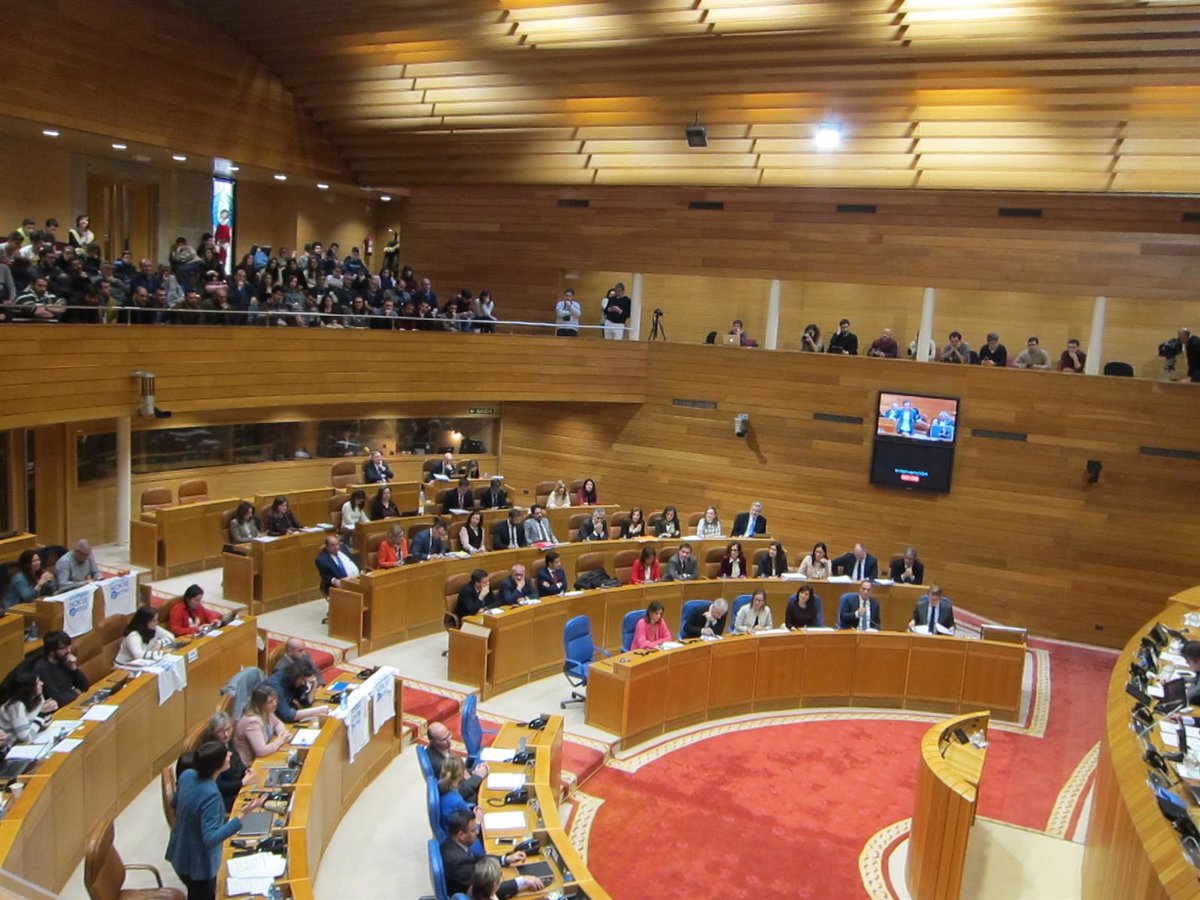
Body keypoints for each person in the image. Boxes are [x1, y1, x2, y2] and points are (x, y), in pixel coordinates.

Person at [167, 740, 267, 900]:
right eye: (226, 754)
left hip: (179, 854)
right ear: (217, 765)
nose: (230, 754)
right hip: (198, 865)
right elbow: (210, 839)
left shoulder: (187, 775)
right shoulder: (211, 794)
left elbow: (175, 803)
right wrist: (241, 815)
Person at [440, 808, 541, 899]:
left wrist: (505, 859)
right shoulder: (457, 861)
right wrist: (523, 881)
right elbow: (487, 889)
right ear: (461, 834)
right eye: (473, 830)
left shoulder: (451, 843)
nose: (477, 832)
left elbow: (478, 858)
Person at [197, 712, 255, 813]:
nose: (226, 734)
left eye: (228, 729)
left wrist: (245, 770)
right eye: (221, 731)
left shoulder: (227, 741)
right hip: (225, 798)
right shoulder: (212, 753)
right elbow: (218, 786)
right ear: (213, 733)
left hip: (239, 786)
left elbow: (237, 761)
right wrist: (241, 783)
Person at [427, 721, 488, 802]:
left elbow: (460, 771)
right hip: (466, 798)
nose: (449, 740)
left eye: (449, 735)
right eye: (443, 739)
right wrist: (478, 776)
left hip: (467, 782)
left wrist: (473, 773)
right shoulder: (440, 765)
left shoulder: (442, 749)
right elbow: (458, 792)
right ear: (432, 741)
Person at [233, 685, 289, 765]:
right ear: (260, 704)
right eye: (270, 702)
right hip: (249, 764)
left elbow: (277, 723)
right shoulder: (252, 722)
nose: (275, 704)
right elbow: (261, 751)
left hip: (264, 755)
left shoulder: (266, 711)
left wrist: (282, 734)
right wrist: (279, 741)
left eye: (275, 700)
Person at [30, 630, 89, 707]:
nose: (68, 650)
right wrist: (75, 692)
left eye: (68, 646)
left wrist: (74, 668)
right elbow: (57, 699)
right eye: (63, 648)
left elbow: (85, 686)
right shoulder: (42, 669)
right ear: (51, 651)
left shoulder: (65, 661)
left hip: (73, 702)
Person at [264, 658, 330, 724]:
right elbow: (288, 716)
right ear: (297, 675)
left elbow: (306, 703)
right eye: (303, 680)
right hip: (269, 721)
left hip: (280, 720)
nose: (304, 683)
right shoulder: (275, 685)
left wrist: (314, 684)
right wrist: (319, 710)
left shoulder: (296, 680)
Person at [0, 671, 56, 742]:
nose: (42, 683)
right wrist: (42, 714)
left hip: (27, 739)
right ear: (28, 688)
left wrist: (46, 712)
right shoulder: (15, 705)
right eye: (37, 682)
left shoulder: (37, 698)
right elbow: (27, 738)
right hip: (10, 744)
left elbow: (47, 722)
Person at [437, 757, 481, 840]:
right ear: (461, 776)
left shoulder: (439, 786)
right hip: (458, 839)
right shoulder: (456, 802)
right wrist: (478, 822)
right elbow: (468, 832)